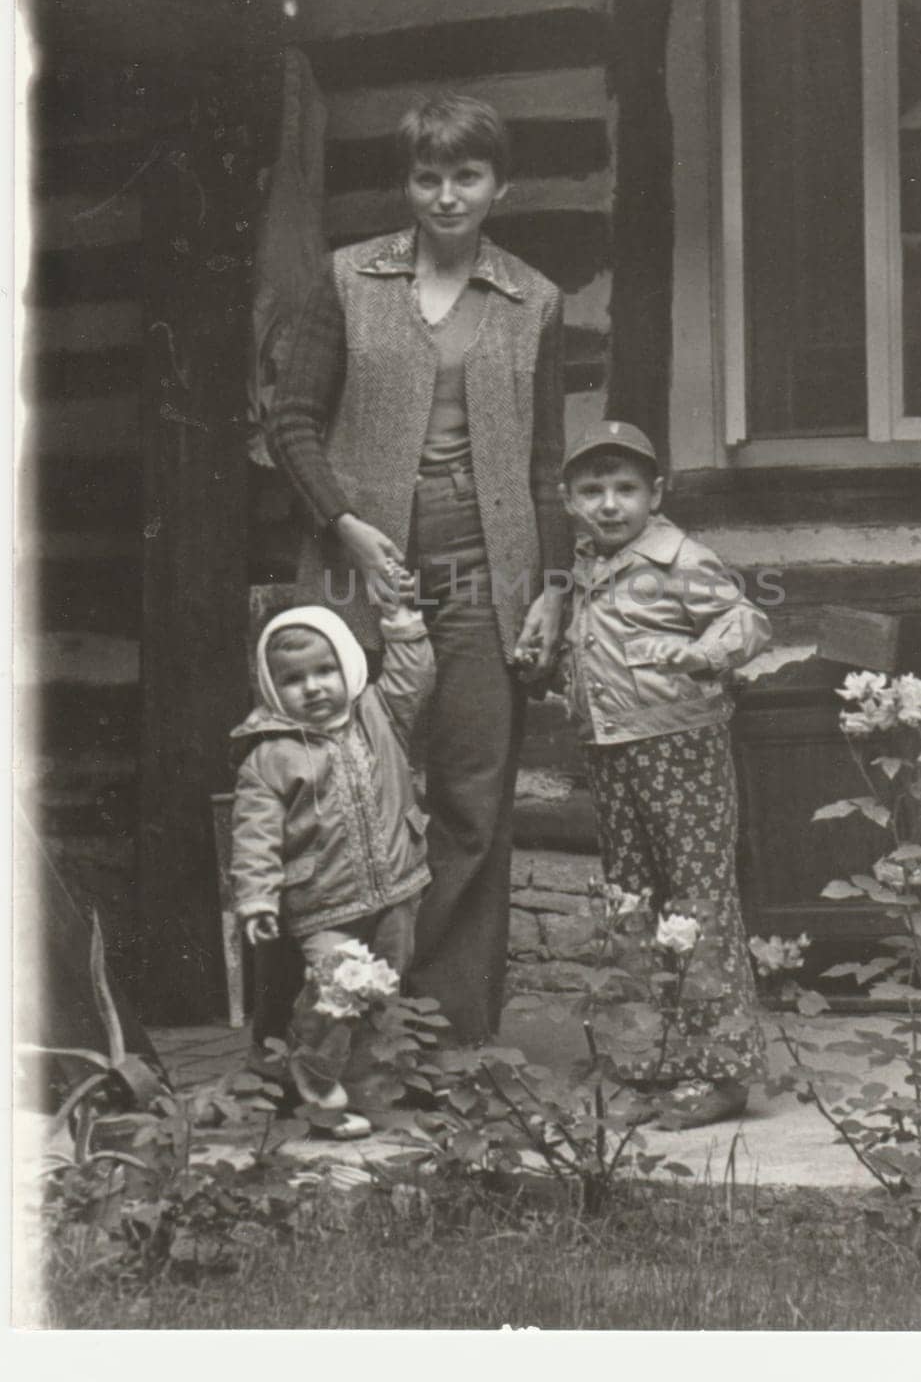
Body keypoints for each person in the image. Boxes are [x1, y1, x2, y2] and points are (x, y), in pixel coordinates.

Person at [270, 92, 569, 1044]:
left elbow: (547, 468)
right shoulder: (347, 279)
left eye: (467, 176)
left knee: (473, 802)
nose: (447, 195)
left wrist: (555, 588)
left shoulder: (534, 301)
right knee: (339, 788)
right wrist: (346, 523)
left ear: (499, 186)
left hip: (491, 575)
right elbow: (290, 422)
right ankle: (317, 1042)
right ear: (409, 184)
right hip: (365, 570)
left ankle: (445, 1038)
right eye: (428, 176)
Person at [556, 421, 773, 1128]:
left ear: (657, 493)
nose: (610, 504)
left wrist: (702, 655)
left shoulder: (681, 557)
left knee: (697, 901)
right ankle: (645, 1062)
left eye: (626, 489)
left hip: (681, 747)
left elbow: (747, 621)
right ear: (569, 500)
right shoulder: (586, 566)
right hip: (613, 752)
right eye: (593, 490)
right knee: (632, 903)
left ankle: (722, 1072)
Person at [230, 602, 434, 1137]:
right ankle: (317, 1090)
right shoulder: (269, 758)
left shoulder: (378, 715)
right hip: (323, 906)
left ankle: (364, 1086)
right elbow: (254, 836)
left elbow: (413, 679)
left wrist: (403, 625)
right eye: (293, 680)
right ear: (272, 690)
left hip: (395, 890)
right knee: (336, 991)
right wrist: (255, 897)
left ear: (348, 665)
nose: (314, 687)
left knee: (378, 994)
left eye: (325, 670)